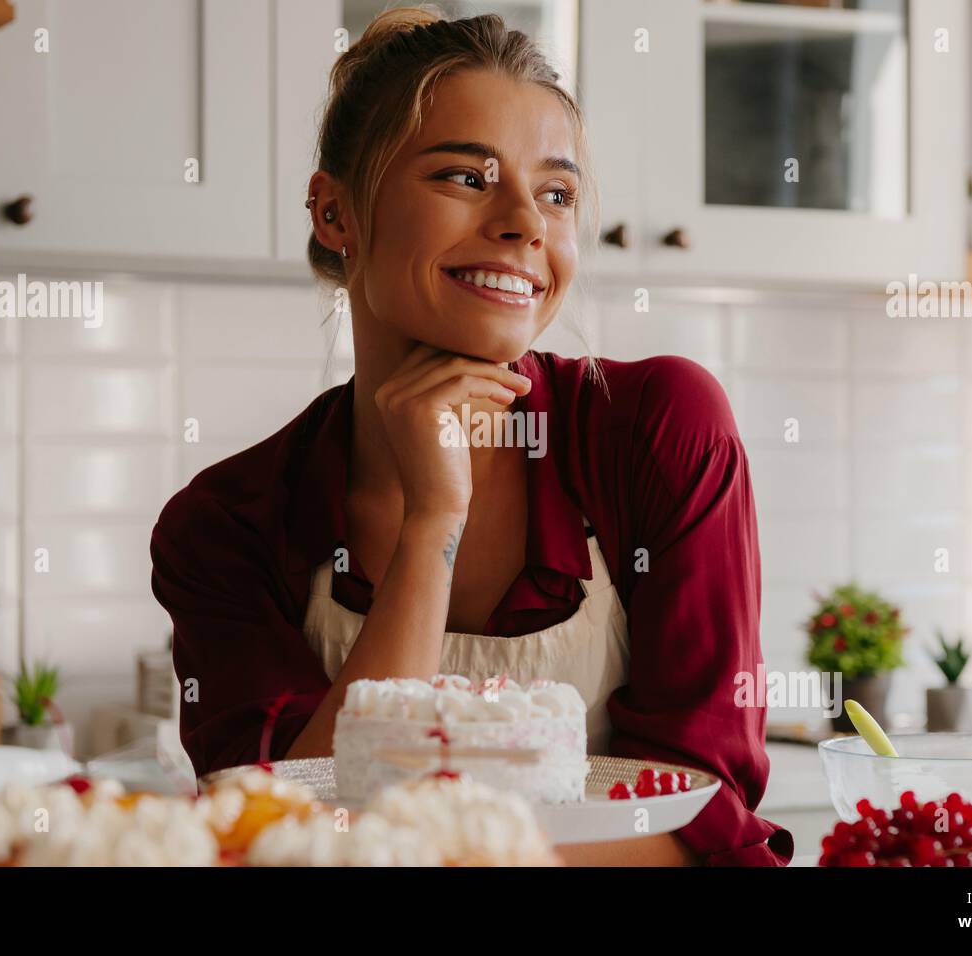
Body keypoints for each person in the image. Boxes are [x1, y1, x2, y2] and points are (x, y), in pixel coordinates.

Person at [151, 7, 793, 866]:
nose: (526, 221)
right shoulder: (223, 525)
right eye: (465, 176)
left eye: (557, 193)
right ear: (335, 211)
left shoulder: (659, 428)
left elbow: (699, 807)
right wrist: (431, 526)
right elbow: (276, 833)